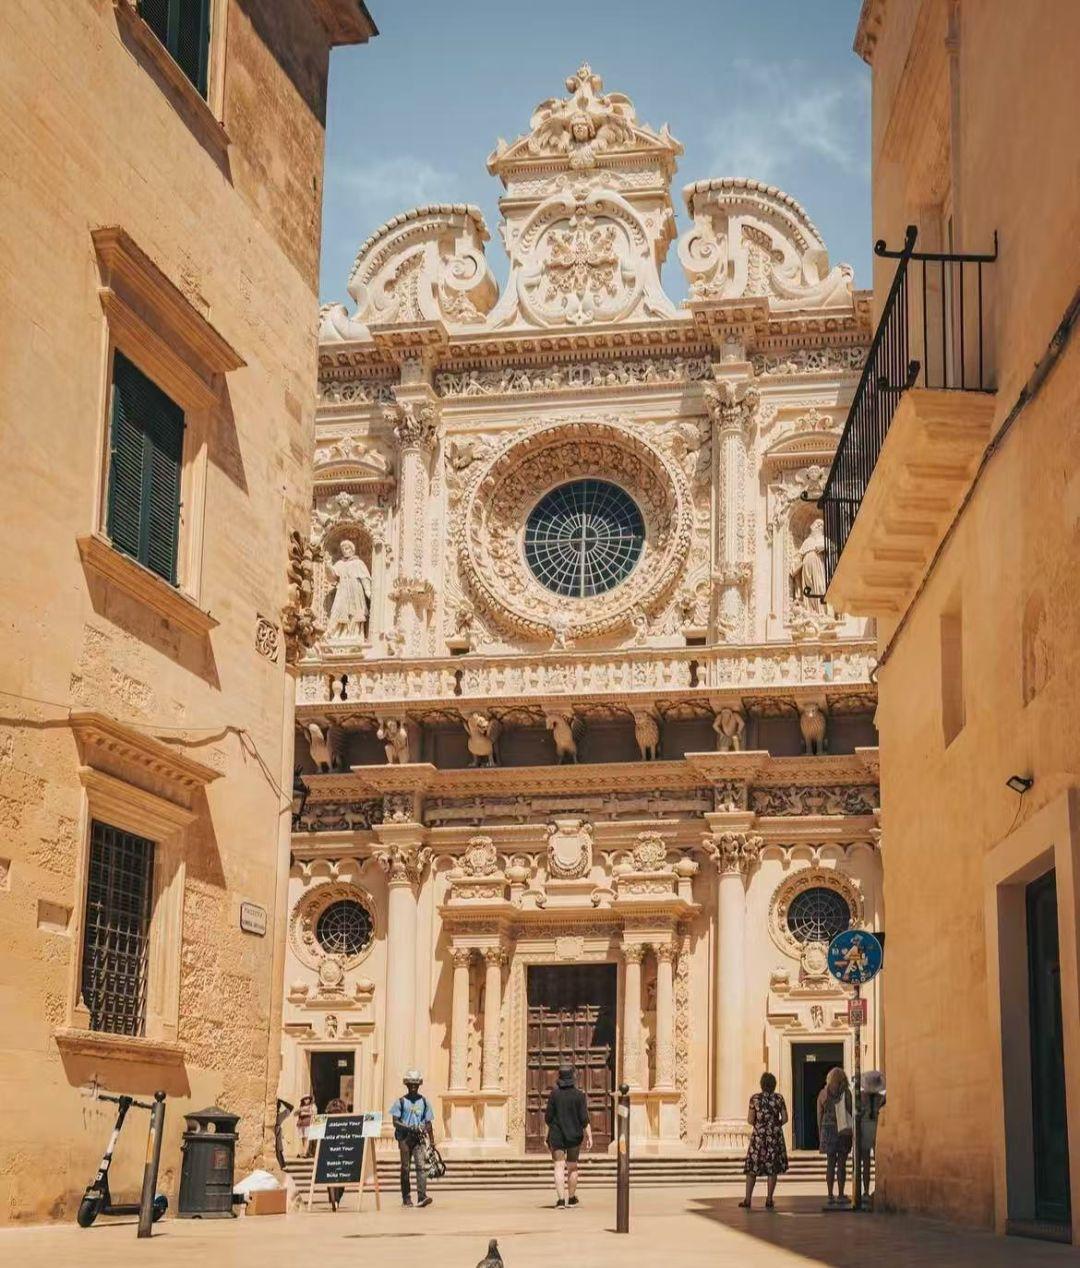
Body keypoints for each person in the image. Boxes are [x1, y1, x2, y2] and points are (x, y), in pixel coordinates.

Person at [544, 1065, 592, 1209]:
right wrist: (590, 1136)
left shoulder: (554, 1095)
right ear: (572, 1077)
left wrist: (546, 1137)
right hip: (574, 1135)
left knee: (558, 1166)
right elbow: (584, 1119)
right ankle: (571, 1199)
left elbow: (548, 1118)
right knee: (572, 1167)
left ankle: (560, 1201)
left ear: (559, 1077)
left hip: (557, 1134)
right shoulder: (579, 1095)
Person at [739, 1072, 789, 1210]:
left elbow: (750, 1120)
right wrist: (775, 1125)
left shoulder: (755, 1099)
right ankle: (769, 1199)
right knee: (772, 1168)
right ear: (774, 1085)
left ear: (761, 1084)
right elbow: (785, 1118)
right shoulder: (779, 1098)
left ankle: (748, 1199)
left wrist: (760, 1125)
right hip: (774, 1137)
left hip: (758, 1138)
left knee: (752, 1168)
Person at [390, 1070, 434, 1208]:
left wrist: (432, 1142)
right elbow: (395, 1121)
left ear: (419, 1085)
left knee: (421, 1167)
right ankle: (406, 1197)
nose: (413, 1087)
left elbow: (429, 1123)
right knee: (406, 1168)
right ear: (407, 1085)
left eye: (415, 1084)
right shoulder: (401, 1102)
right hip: (404, 1138)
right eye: (411, 1084)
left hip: (418, 1139)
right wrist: (409, 1127)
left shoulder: (424, 1102)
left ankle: (422, 1196)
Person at [818, 1067, 854, 1206]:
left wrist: (820, 1132)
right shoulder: (846, 1093)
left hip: (828, 1130)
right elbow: (851, 1111)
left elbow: (819, 1114)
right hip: (843, 1130)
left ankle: (829, 1194)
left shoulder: (823, 1093)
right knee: (841, 1164)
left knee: (830, 1163)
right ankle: (841, 1193)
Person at [859, 1071, 886, 1199]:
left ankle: (865, 1190)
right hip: (877, 1129)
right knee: (878, 1162)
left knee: (866, 1163)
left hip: (864, 1129)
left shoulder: (861, 1097)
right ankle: (877, 1188)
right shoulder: (881, 1098)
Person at [324, 1097, 348, 1212]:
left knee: (342, 1178)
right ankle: (333, 1199)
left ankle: (336, 1198)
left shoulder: (347, 1123)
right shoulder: (325, 1123)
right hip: (329, 1153)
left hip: (343, 1152)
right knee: (331, 1176)